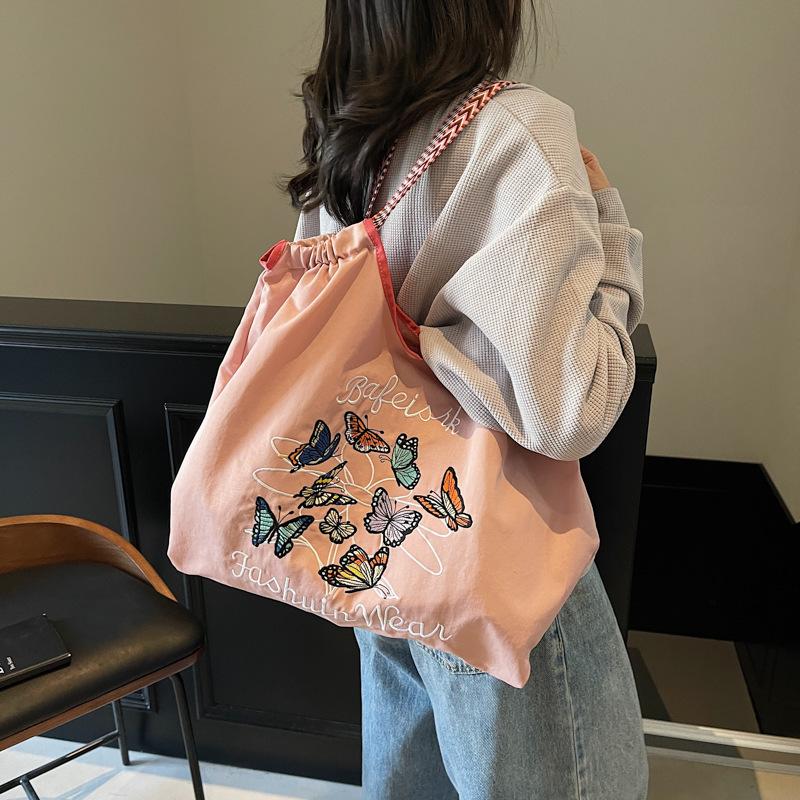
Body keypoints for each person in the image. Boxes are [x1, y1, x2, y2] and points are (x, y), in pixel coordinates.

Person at [282, 2, 648, 797]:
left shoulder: (348, 137)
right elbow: (572, 411)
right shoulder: (517, 130)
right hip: (494, 548)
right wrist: (611, 235)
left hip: (385, 532)